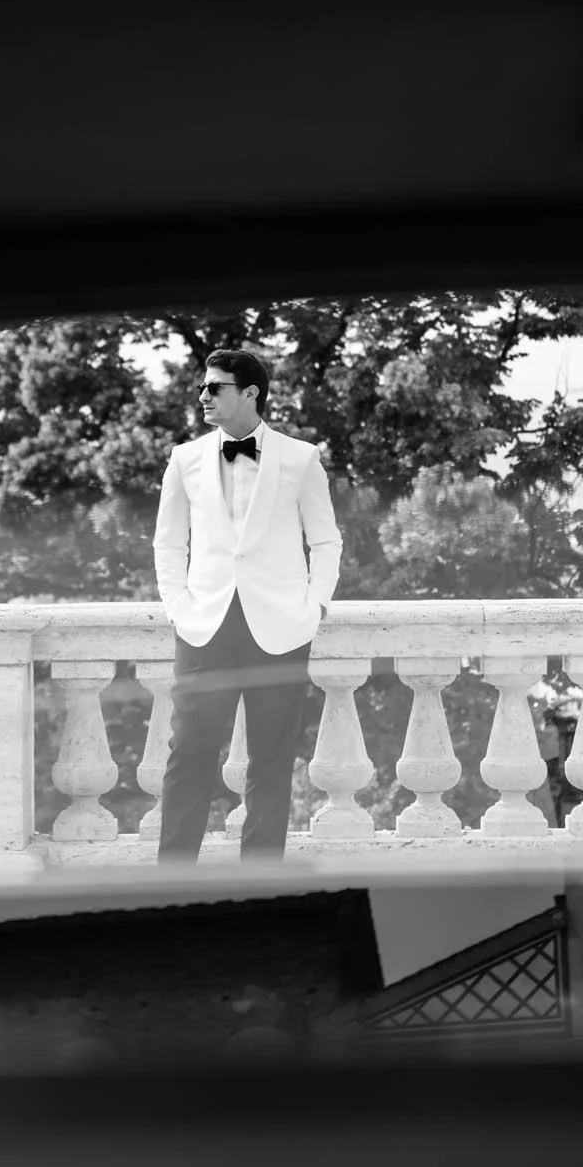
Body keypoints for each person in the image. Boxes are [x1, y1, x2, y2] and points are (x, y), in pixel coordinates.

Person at [152, 348, 342, 863]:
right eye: (202, 388)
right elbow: (169, 544)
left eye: (215, 388)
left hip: (280, 629)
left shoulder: (301, 458)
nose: (203, 397)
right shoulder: (184, 459)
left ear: (250, 393)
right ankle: (173, 882)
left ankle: (260, 881)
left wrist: (315, 605)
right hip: (203, 628)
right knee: (188, 753)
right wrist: (177, 605)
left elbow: (325, 541)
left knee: (272, 760)